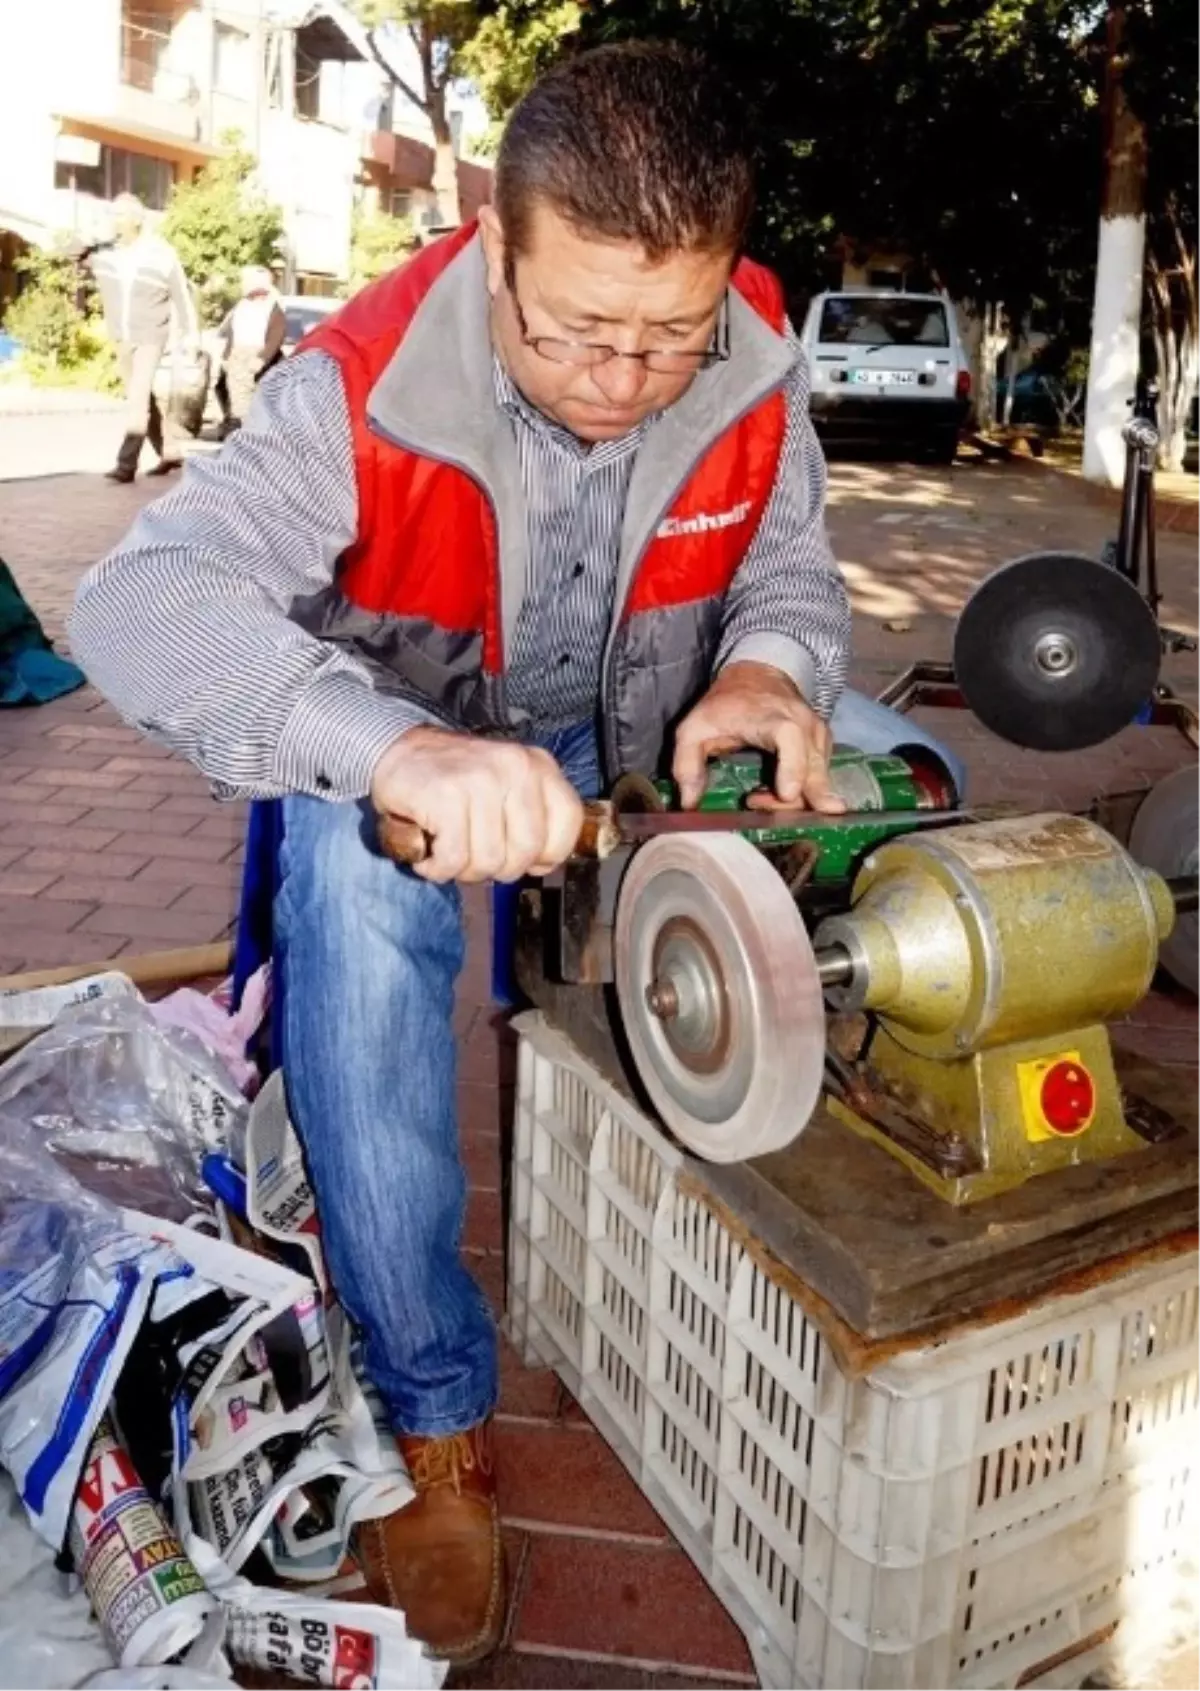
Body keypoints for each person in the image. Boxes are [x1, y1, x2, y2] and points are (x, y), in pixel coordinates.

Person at [70, 43, 962, 1665]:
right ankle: (431, 1407)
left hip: (643, 718)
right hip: (410, 734)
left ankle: (805, 1226)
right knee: (353, 887)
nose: (622, 381)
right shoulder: (354, 382)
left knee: (916, 774)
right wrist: (396, 750)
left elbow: (790, 571)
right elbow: (135, 603)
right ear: (496, 251)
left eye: (664, 342)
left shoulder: (755, 359)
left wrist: (766, 668)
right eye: (576, 335)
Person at [88, 192, 198, 483]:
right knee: (141, 397)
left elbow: (182, 297)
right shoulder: (104, 250)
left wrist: (192, 334)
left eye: (121, 215)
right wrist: (92, 236)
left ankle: (126, 466)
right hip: (121, 336)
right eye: (113, 214)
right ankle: (171, 452)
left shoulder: (161, 253)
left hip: (151, 335)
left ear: (137, 221)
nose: (115, 220)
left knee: (137, 399)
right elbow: (65, 251)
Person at [216, 265, 287, 435]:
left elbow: (275, 337)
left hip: (258, 360)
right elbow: (233, 332)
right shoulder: (242, 306)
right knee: (235, 400)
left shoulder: (273, 308)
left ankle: (250, 433)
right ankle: (236, 429)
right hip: (238, 358)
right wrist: (226, 357)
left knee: (253, 402)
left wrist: (262, 358)